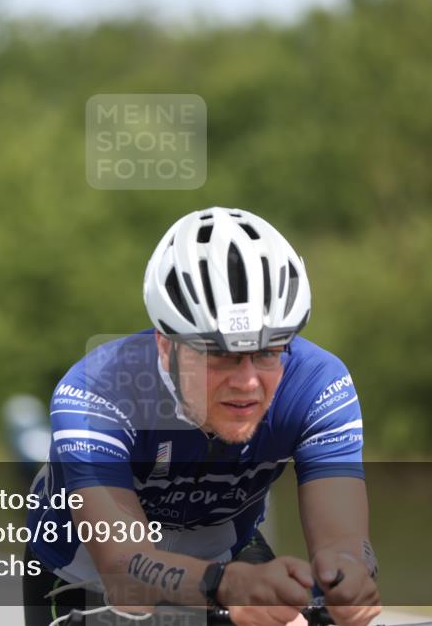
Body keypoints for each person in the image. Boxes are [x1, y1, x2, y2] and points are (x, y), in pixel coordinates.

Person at [23, 207, 380, 626]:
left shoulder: (318, 385)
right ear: (164, 345)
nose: (247, 382)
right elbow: (125, 568)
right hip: (84, 575)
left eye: (267, 351)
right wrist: (224, 586)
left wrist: (346, 579)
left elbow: (342, 541)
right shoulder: (97, 390)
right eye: (220, 355)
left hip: (227, 554)